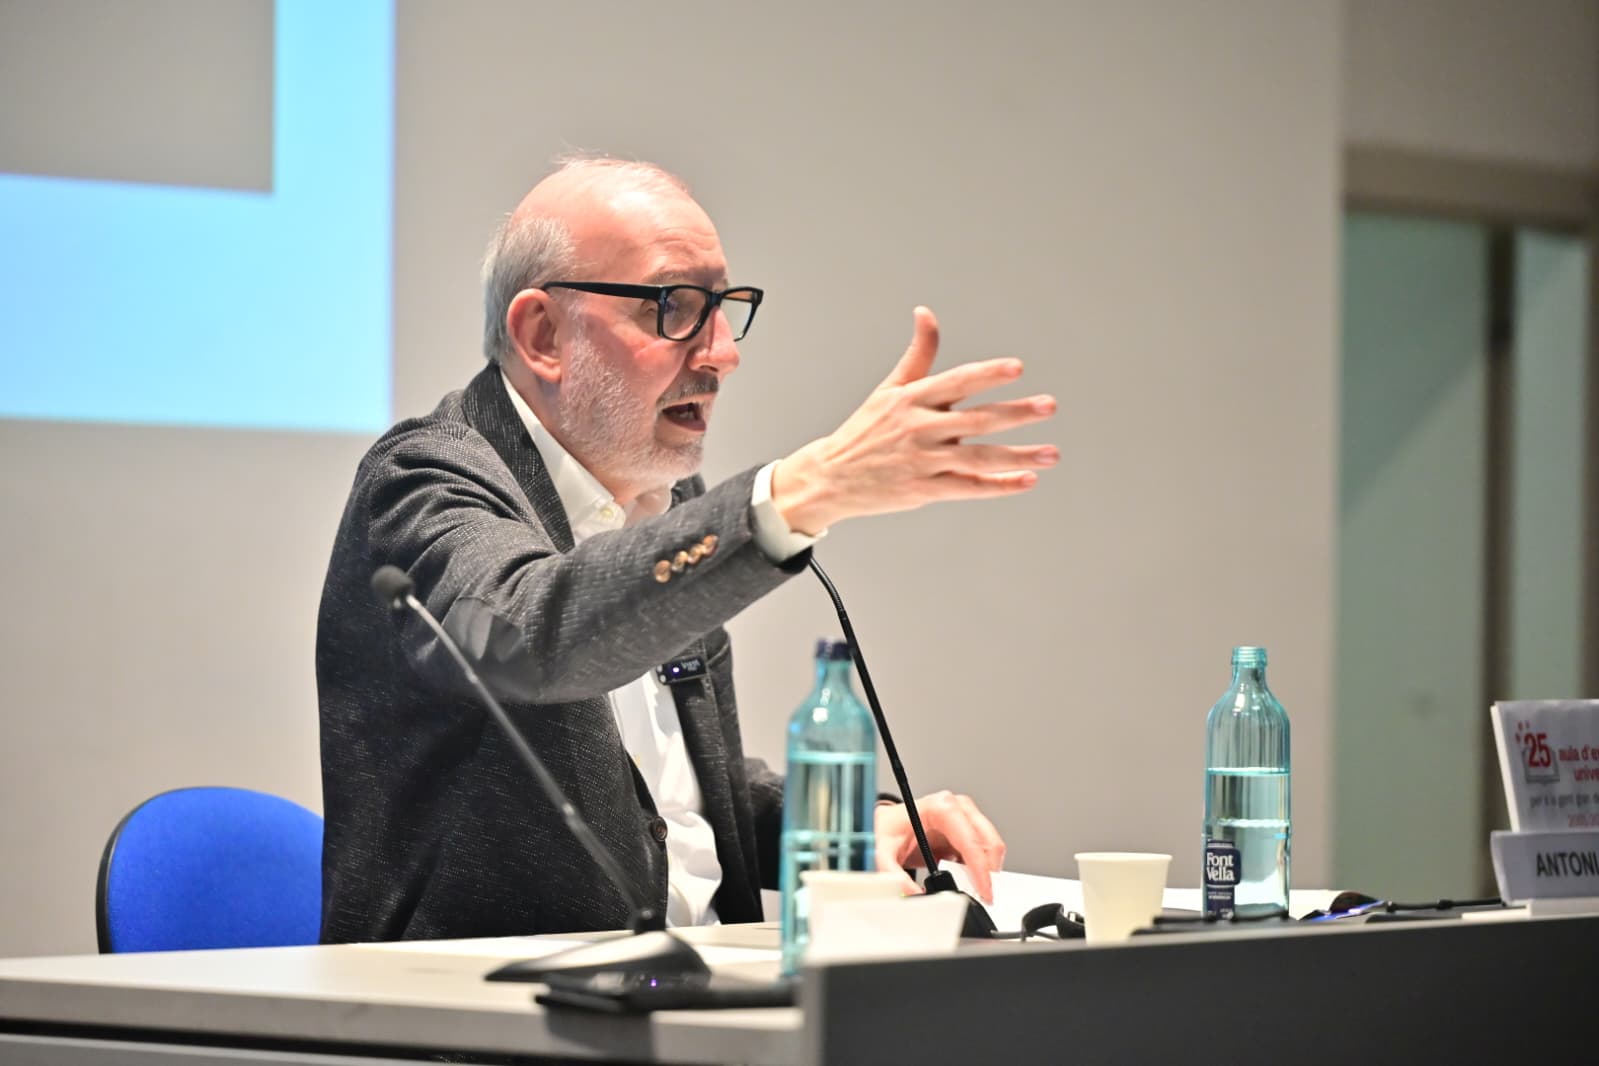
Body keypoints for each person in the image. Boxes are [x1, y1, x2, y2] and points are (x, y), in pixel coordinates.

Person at [316, 156, 1058, 943]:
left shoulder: (667, 505)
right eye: (675, 306)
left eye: (724, 308)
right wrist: (800, 491)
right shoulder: (424, 482)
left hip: (685, 1008)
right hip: (477, 1028)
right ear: (541, 334)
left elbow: (670, 797)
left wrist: (854, 828)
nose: (720, 353)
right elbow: (529, 639)